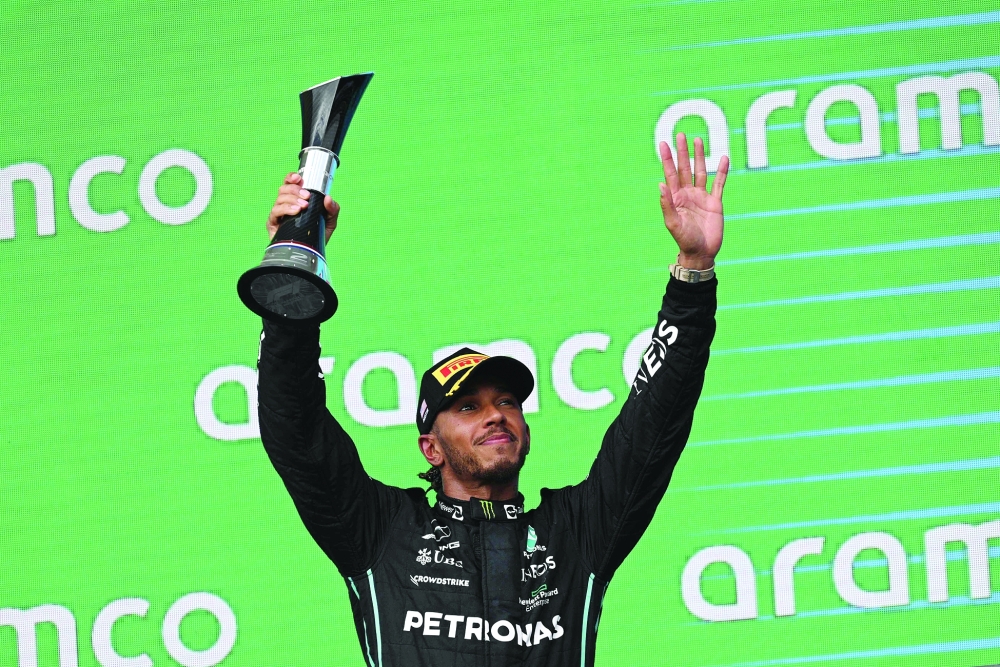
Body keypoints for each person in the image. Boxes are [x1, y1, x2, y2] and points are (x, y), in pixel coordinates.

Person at [257, 134, 729, 666]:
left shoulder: (575, 535)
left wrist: (693, 271)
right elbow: (294, 427)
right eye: (467, 407)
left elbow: (655, 425)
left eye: (507, 401)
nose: (495, 415)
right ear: (430, 448)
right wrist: (292, 270)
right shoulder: (381, 534)